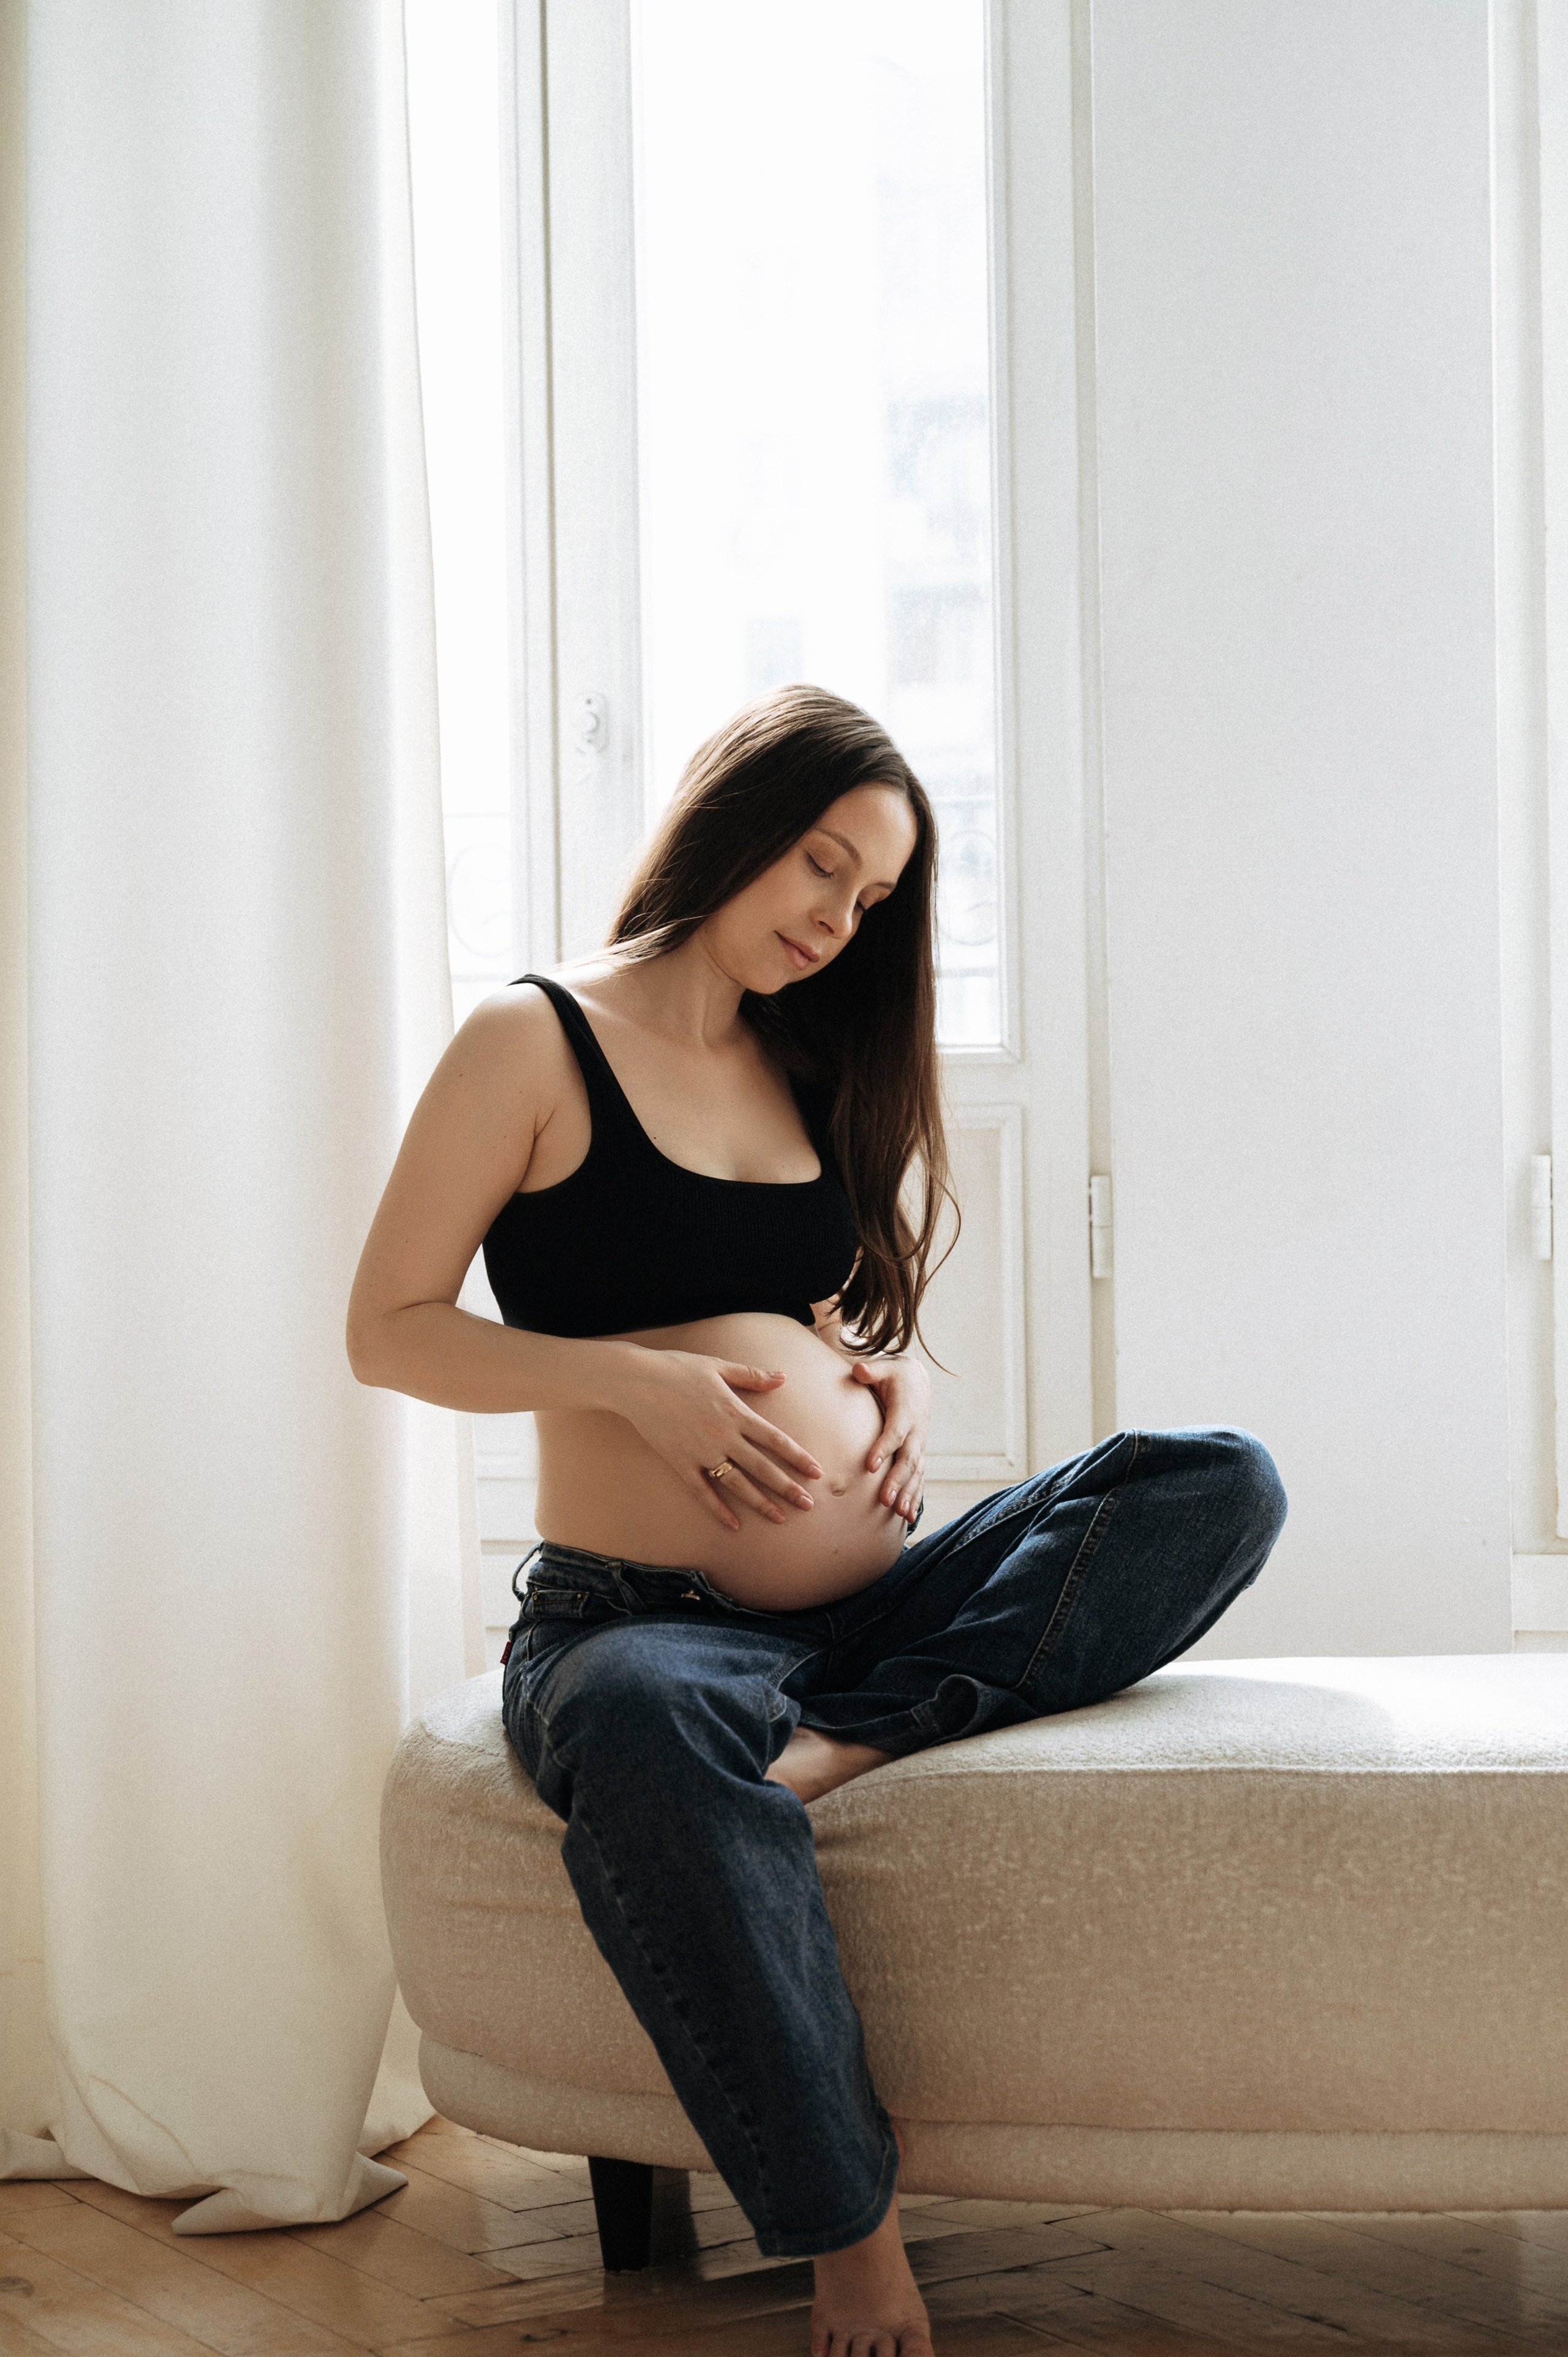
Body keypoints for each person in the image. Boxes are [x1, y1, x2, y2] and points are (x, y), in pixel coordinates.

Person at [347, 684, 1288, 2357]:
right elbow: (390, 1327)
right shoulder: (533, 1042)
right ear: (732, 824)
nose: (835, 921)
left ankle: (841, 1742)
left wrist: (893, 1388)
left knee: (1217, 1479)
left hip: (865, 1606)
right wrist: (640, 1388)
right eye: (820, 869)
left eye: (868, 902)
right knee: (641, 1722)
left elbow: (813, 1319)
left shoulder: (803, 1058)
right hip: (638, 1616)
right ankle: (850, 2229)